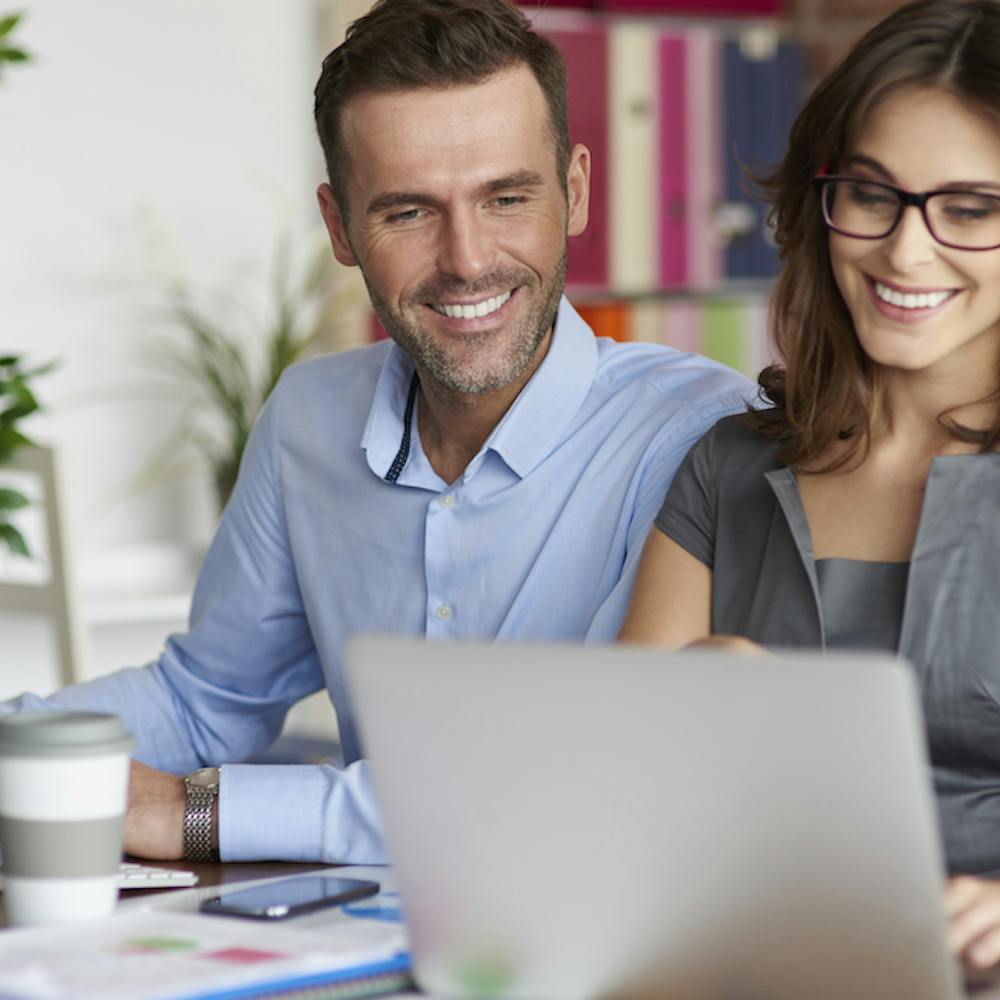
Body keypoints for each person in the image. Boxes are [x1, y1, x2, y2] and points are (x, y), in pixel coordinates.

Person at [1, 0, 751, 865]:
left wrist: (192, 812)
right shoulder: (307, 418)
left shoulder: (700, 437)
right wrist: (19, 744)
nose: (468, 259)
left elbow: (580, 782)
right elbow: (205, 697)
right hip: (352, 928)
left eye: (507, 198)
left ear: (574, 191)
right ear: (340, 227)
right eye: (408, 213)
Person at [619, 0, 1000, 971]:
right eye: (871, 194)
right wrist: (681, 704)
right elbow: (617, 790)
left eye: (970, 210)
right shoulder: (728, 467)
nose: (905, 251)